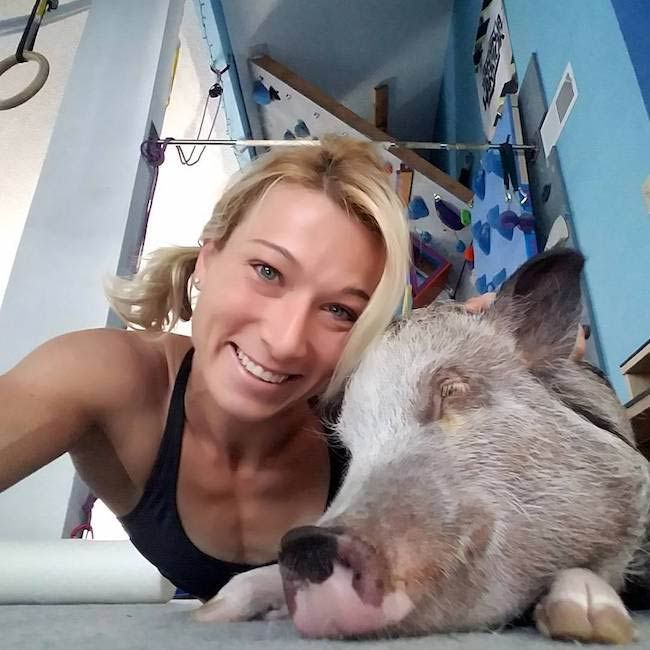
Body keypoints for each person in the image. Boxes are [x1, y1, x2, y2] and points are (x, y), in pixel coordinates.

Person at [0, 136, 411, 601]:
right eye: (268, 271)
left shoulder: (368, 425)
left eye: (339, 310)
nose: (285, 341)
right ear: (208, 259)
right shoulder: (105, 379)